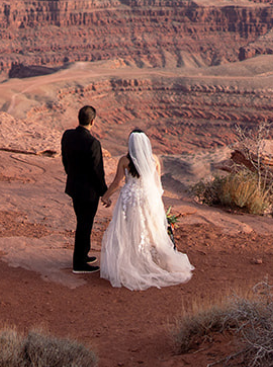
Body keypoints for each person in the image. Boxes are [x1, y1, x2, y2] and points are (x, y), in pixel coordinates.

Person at [100, 129, 193, 290]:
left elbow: (117, 183)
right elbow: (158, 183)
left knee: (129, 230)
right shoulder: (154, 159)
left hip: (130, 198)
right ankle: (153, 261)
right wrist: (156, 200)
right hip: (149, 198)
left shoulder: (124, 160)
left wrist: (105, 196)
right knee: (151, 230)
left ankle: (133, 263)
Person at [61, 105, 108, 274]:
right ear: (93, 121)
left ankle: (83, 254)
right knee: (84, 225)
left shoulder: (67, 136)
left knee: (83, 222)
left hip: (74, 188)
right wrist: (104, 192)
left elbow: (65, 160)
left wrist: (71, 175)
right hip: (88, 193)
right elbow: (97, 171)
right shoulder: (93, 143)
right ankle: (79, 263)